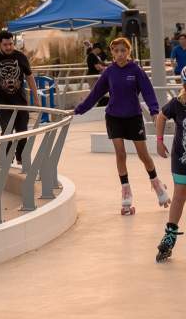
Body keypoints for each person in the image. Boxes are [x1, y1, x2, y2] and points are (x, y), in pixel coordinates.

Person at [74, 36, 169, 215]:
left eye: (123, 51)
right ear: (112, 53)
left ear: (128, 52)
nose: (119, 54)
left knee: (143, 155)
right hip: (114, 117)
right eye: (116, 51)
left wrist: (155, 111)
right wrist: (79, 110)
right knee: (120, 154)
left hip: (133, 117)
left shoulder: (136, 70)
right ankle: (126, 190)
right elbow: (95, 94)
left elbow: (148, 92)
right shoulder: (109, 72)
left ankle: (157, 184)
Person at [0, 30, 40, 165]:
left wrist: (36, 97)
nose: (9, 47)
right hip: (4, 105)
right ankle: (7, 161)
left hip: (21, 102)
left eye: (11, 44)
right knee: (7, 132)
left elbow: (29, 77)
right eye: (5, 45)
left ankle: (22, 159)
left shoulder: (21, 57)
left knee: (22, 132)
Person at [155, 66, 186, 261]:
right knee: (179, 194)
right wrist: (159, 141)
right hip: (181, 159)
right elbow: (161, 116)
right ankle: (170, 237)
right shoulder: (177, 104)